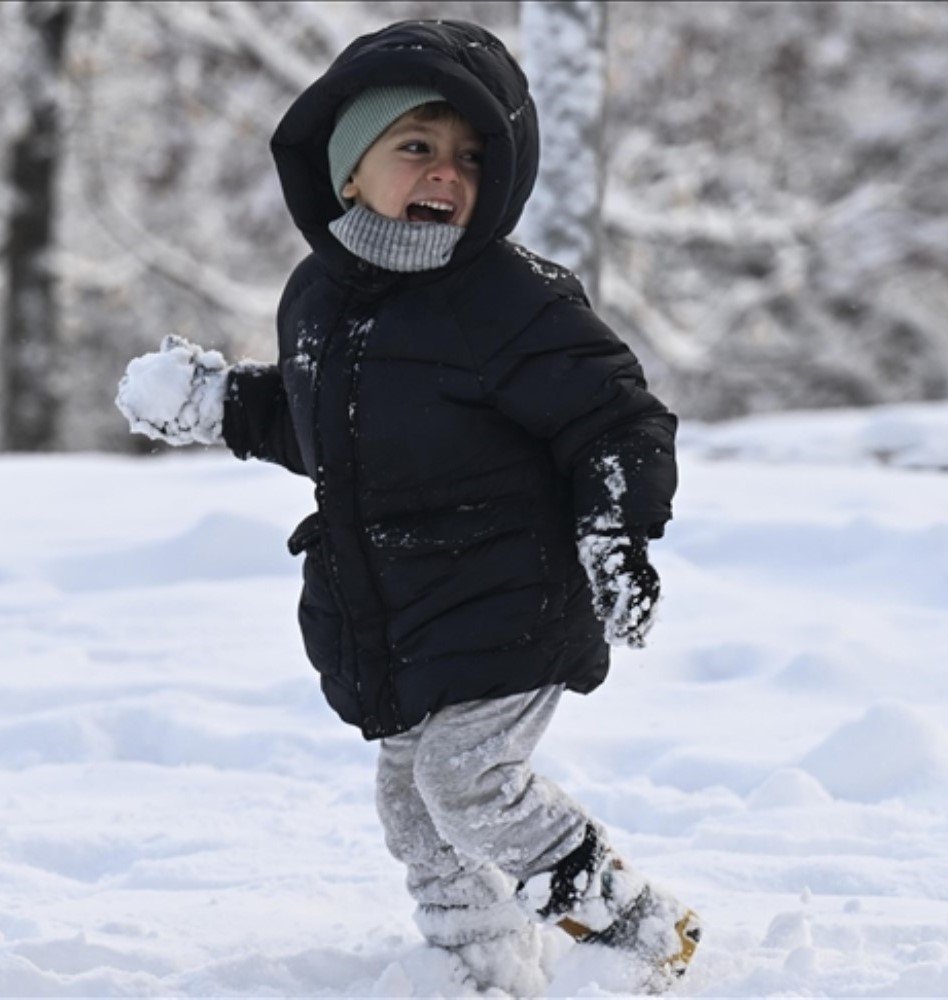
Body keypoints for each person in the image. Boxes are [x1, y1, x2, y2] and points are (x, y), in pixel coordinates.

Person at [114, 19, 697, 997]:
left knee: (466, 783)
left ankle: (639, 932)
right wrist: (221, 403)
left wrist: (612, 524)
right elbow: (328, 433)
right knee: (413, 805)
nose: (446, 173)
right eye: (416, 147)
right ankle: (475, 963)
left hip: (512, 597)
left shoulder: (513, 301)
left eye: (471, 157)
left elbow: (613, 417)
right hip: (402, 613)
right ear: (350, 167)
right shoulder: (317, 298)